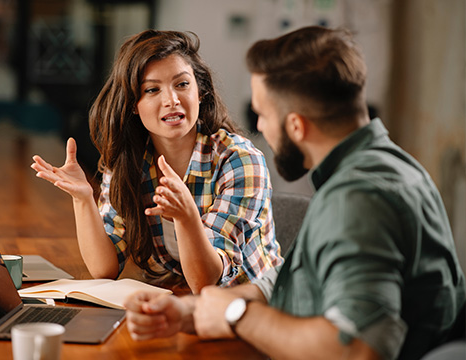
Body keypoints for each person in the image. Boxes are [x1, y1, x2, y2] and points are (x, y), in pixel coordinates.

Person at [123, 26, 466, 360]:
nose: (258, 127)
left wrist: (239, 316)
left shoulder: (358, 200)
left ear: (296, 126)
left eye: (262, 114)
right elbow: (294, 280)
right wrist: (190, 311)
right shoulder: (381, 167)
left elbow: (357, 350)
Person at [31, 29, 282, 294]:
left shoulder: (239, 160)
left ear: (201, 92)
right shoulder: (130, 162)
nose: (171, 100)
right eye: (152, 89)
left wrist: (187, 218)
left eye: (182, 84)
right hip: (183, 302)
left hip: (254, 308)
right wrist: (83, 199)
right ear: (133, 105)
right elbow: (104, 269)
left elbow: (206, 282)